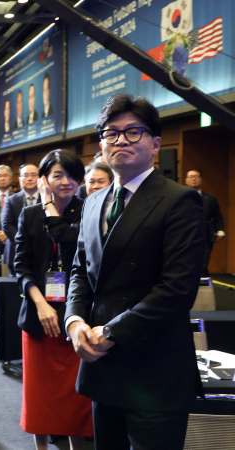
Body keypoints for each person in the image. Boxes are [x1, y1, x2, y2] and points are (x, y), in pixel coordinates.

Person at [66, 94, 205, 450]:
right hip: (104, 365)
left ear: (155, 144)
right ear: (101, 144)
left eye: (133, 132)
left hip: (154, 368)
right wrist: (75, 322)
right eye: (111, 133)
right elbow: (81, 270)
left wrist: (112, 331)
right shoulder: (94, 200)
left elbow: (177, 289)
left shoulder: (179, 200)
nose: (121, 140)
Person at [15, 150, 92, 450]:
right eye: (58, 175)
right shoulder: (29, 214)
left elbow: (72, 243)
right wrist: (41, 303)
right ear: (45, 179)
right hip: (39, 315)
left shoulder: (88, 210)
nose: (66, 182)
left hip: (76, 314)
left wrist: (49, 208)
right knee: (40, 394)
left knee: (74, 394)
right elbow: (21, 265)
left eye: (72, 176)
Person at [2, 164, 41, 276]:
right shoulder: (11, 200)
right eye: (25, 175)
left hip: (42, 254)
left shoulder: (48, 199)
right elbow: (7, 225)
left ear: (40, 178)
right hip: (15, 252)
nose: (29, 178)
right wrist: (24, 245)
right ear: (19, 179)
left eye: (34, 175)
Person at [185, 169, 225, 277]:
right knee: (186, 266)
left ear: (201, 179)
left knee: (202, 266)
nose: (194, 179)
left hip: (205, 236)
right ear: (186, 180)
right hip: (184, 236)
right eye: (191, 177)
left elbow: (217, 216)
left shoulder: (210, 198)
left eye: (197, 176)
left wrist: (220, 231)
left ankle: (203, 292)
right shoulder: (179, 197)